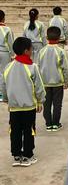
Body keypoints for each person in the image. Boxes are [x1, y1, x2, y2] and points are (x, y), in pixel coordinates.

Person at [0, 37, 46, 167]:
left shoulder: (8, 67)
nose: (32, 50)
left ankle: (16, 155)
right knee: (28, 130)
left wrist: (6, 99)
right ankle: (27, 155)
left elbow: (3, 85)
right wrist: (40, 101)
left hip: (14, 107)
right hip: (28, 106)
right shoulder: (32, 67)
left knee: (14, 131)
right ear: (26, 51)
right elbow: (39, 86)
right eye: (31, 48)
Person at [38, 26, 68, 131]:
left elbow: (37, 67)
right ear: (59, 37)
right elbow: (65, 67)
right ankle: (56, 123)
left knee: (46, 104)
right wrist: (66, 80)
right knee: (57, 104)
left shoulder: (41, 51)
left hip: (45, 82)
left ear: (47, 37)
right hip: (57, 82)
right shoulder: (61, 51)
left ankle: (48, 124)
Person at [0, 10, 14, 97]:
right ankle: (3, 94)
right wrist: (13, 55)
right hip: (4, 52)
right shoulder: (7, 29)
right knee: (4, 73)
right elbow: (11, 43)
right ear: (3, 18)